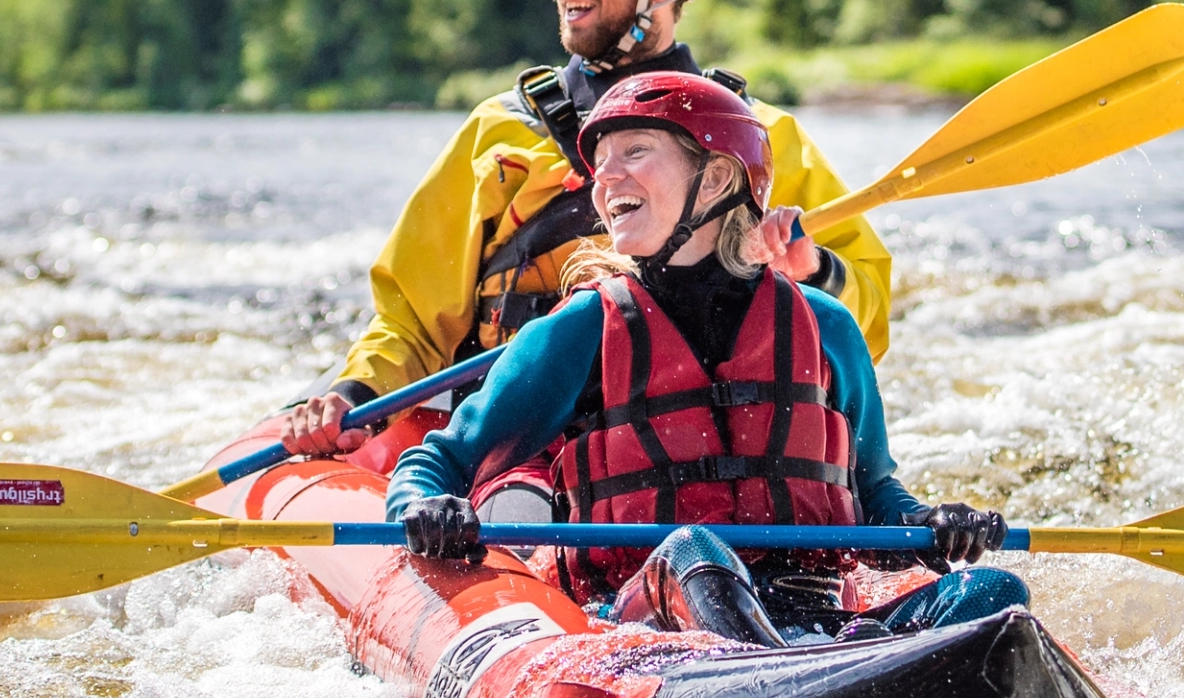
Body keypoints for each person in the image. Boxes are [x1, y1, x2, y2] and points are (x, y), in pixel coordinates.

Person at [378, 71, 1026, 644]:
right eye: (601, 161)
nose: (605, 178)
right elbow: (442, 461)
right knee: (696, 550)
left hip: (815, 621)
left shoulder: (825, 326)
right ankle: (791, 692)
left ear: (717, 177)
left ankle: (817, 678)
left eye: (635, 152)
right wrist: (421, 507)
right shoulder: (581, 329)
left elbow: (878, 495)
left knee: (992, 596)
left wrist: (932, 525)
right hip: (644, 618)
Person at [271, 0, 894, 454]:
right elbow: (412, 320)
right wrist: (353, 394)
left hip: (710, 444)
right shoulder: (502, 135)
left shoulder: (761, 138)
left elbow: (864, 322)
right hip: (530, 448)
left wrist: (813, 271)